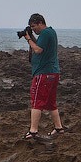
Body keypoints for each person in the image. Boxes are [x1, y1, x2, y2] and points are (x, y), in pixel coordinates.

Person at [22, 13, 62, 141]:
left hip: (44, 73)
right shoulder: (51, 32)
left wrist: (28, 38)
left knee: (36, 102)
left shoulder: (45, 33)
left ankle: (33, 131)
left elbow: (38, 50)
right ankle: (58, 128)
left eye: (34, 26)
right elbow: (39, 46)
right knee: (51, 103)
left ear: (40, 23)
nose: (33, 29)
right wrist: (31, 36)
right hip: (53, 72)